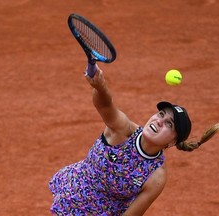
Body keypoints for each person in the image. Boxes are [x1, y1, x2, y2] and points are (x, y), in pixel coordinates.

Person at [49, 65, 199, 215]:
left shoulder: (156, 176)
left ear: (172, 142)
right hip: (72, 193)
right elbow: (105, 104)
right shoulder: (123, 130)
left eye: (169, 124)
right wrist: (101, 88)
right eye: (161, 114)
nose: (160, 121)